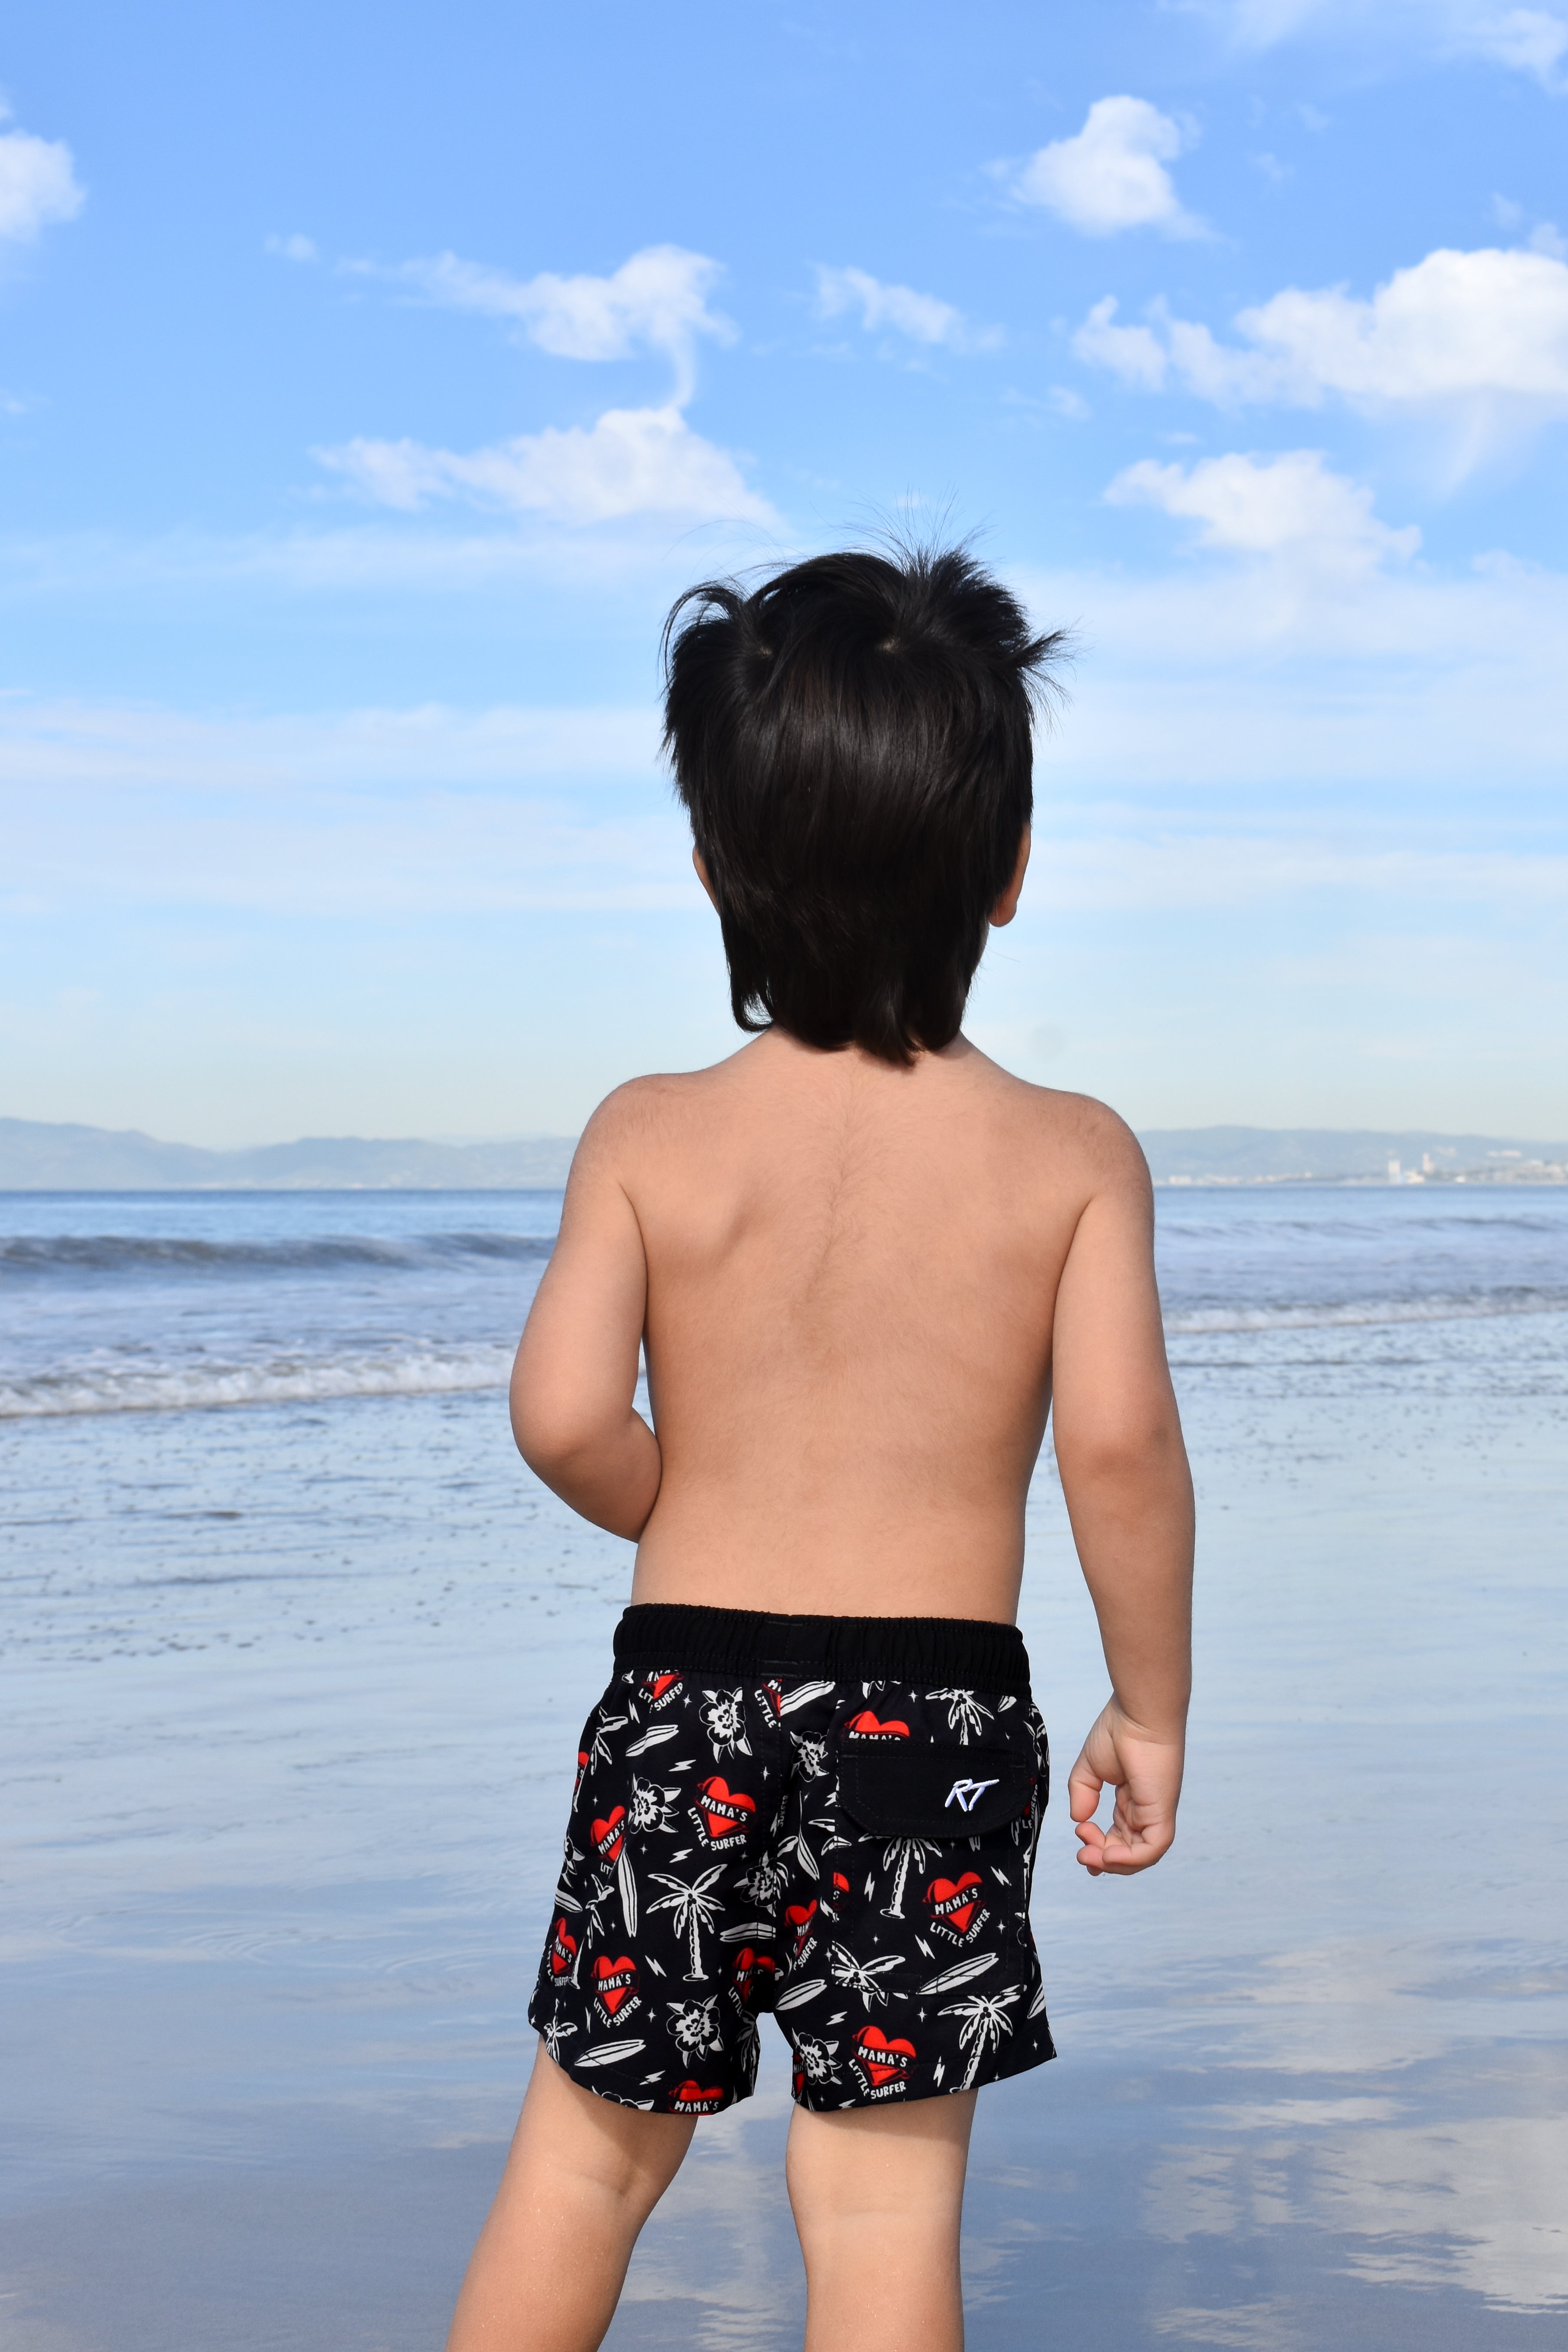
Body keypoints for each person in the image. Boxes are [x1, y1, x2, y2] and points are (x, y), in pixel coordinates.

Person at [446, 545, 1194, 2352]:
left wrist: (675, 1497)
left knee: (587, 2161)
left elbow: (558, 1412)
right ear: (1009, 871)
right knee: (875, 2196)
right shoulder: (1071, 1152)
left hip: (686, 1704)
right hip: (929, 1726)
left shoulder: (648, 1131)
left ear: (712, 862)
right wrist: (1149, 1703)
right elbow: (1116, 1443)